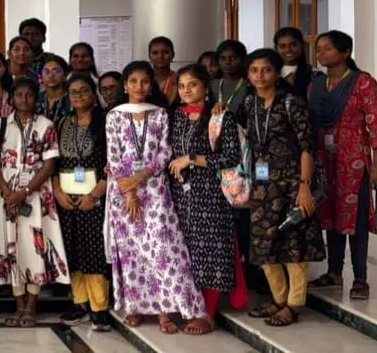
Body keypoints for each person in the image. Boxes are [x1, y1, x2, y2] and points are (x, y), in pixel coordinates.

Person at [106, 61, 205, 334]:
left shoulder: (160, 114)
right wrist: (129, 192)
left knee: (162, 249)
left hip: (155, 190)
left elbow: (165, 152)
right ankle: (135, 306)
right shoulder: (114, 115)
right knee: (132, 251)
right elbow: (113, 156)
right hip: (123, 193)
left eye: (145, 81)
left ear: (151, 86)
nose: (139, 86)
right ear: (125, 85)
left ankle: (165, 310)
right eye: (133, 81)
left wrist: (140, 178)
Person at [239, 49, 325, 327]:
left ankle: (294, 305)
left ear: (276, 73)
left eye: (266, 70)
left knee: (294, 247)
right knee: (265, 247)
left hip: (291, 185)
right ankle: (278, 299)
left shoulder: (292, 102)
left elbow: (307, 147)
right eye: (254, 70)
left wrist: (304, 187)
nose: (260, 76)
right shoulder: (249, 103)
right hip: (262, 188)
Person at [308, 30, 377, 300]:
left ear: (345, 52)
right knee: (330, 216)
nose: (320, 53)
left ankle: (360, 278)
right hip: (324, 161)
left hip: (353, 162)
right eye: (318, 48)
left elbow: (376, 123)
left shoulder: (363, 82)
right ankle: (334, 272)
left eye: (327, 48)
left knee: (356, 218)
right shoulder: (316, 84)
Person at [0, 78, 68, 328]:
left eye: (29, 95)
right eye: (19, 95)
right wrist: (8, 193)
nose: (24, 99)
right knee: (9, 245)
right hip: (5, 195)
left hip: (36, 194)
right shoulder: (0, 125)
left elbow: (49, 165)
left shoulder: (46, 125)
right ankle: (19, 304)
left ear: (36, 97)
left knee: (34, 247)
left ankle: (32, 305)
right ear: (11, 98)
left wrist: (24, 192)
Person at [168, 64, 240, 335]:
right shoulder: (177, 116)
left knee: (210, 251)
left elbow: (230, 157)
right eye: (181, 86)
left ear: (205, 86)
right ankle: (187, 305)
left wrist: (191, 159)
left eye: (193, 85)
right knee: (184, 252)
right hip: (181, 195)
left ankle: (207, 313)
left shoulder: (220, 116)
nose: (186, 90)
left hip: (210, 194)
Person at [53, 75, 111, 331]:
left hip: (95, 199)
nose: (78, 96)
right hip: (67, 200)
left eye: (84, 91)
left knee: (94, 253)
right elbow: (53, 162)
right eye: (73, 92)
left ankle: (99, 308)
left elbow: (114, 163)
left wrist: (95, 195)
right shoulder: (62, 122)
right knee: (73, 252)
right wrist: (57, 192)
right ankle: (80, 303)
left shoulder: (106, 123)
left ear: (93, 93)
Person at [36, 54, 72, 124]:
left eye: (56, 72)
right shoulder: (37, 99)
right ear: (41, 76)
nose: (50, 75)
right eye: (46, 72)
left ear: (65, 75)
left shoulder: (72, 99)